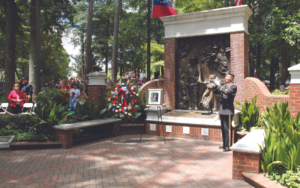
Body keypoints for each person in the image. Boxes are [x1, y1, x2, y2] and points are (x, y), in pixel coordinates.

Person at [213, 72, 237, 152]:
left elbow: (227, 92)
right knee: (223, 128)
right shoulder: (223, 86)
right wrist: (215, 86)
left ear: (231, 78)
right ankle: (224, 144)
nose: (226, 77)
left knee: (228, 129)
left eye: (227, 76)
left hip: (228, 110)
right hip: (222, 109)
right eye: (225, 76)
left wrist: (219, 86)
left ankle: (228, 146)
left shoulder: (233, 86)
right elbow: (217, 92)